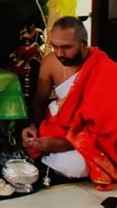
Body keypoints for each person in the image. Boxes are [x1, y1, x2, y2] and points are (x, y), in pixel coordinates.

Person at [22, 16, 117, 190]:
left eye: (66, 47)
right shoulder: (51, 62)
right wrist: (33, 126)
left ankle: (48, 158)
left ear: (83, 44)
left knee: (77, 166)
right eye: (54, 46)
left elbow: (105, 126)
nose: (59, 53)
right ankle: (47, 155)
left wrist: (65, 144)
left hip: (88, 136)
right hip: (58, 126)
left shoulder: (105, 68)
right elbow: (39, 101)